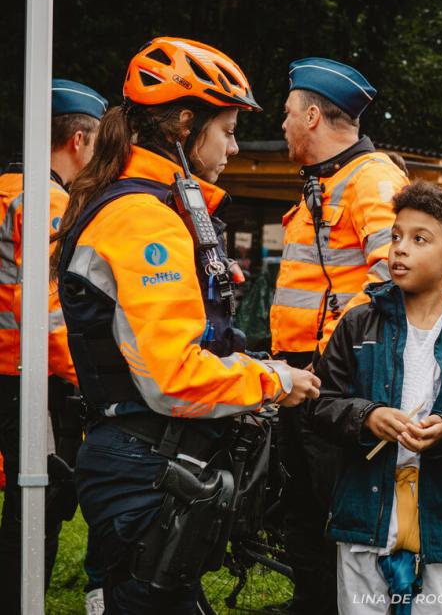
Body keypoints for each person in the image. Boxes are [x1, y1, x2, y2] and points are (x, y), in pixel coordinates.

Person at [51, 37, 319, 613]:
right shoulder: (146, 219)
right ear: (184, 125)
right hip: (145, 465)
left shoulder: (146, 204)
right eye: (227, 130)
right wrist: (273, 380)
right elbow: (171, 377)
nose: (234, 146)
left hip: (142, 459)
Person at [310, 181, 442, 614]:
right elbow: (320, 404)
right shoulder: (358, 325)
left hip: (437, 524)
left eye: (419, 239)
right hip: (364, 520)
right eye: (396, 236)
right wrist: (367, 417)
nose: (400, 249)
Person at [272, 57, 409, 614]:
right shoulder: (325, 180)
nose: (282, 124)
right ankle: (312, 601)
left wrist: (329, 357)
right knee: (303, 504)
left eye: (287, 113)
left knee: (334, 505)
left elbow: (392, 274)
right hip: (302, 373)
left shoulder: (372, 177)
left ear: (311, 116)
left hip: (334, 376)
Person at [0, 79, 106, 615]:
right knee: (36, 497)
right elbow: (48, 310)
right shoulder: (49, 202)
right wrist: (81, 376)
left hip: (9, 370)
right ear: (79, 141)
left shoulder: (5, 188)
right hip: (28, 376)